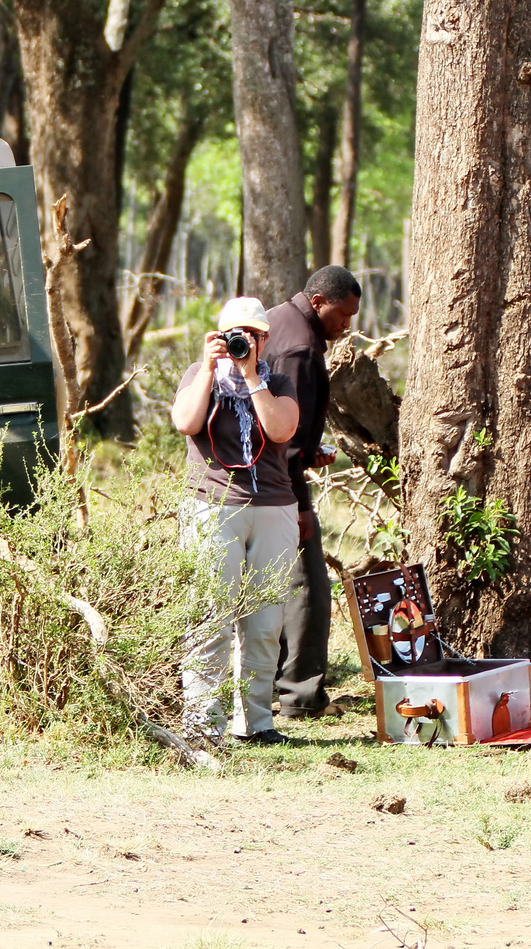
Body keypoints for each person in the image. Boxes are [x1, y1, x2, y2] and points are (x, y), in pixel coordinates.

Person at [170, 297, 301, 745]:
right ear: (218, 336)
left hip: (273, 507)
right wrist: (209, 369)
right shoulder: (198, 374)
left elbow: (282, 429)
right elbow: (185, 421)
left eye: (255, 335)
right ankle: (204, 724)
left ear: (265, 338)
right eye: (235, 335)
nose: (245, 342)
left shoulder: (278, 381)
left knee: (266, 622)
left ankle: (257, 722)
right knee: (210, 618)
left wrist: (252, 378)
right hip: (212, 505)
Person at [263, 265, 362, 719]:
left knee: (268, 587)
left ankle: (269, 687)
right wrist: (301, 504)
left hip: (255, 477)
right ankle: (301, 697)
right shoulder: (301, 349)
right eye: (342, 315)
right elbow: (285, 439)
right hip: (276, 486)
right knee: (306, 587)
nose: (347, 325)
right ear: (318, 302)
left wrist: (310, 449)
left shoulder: (277, 320)